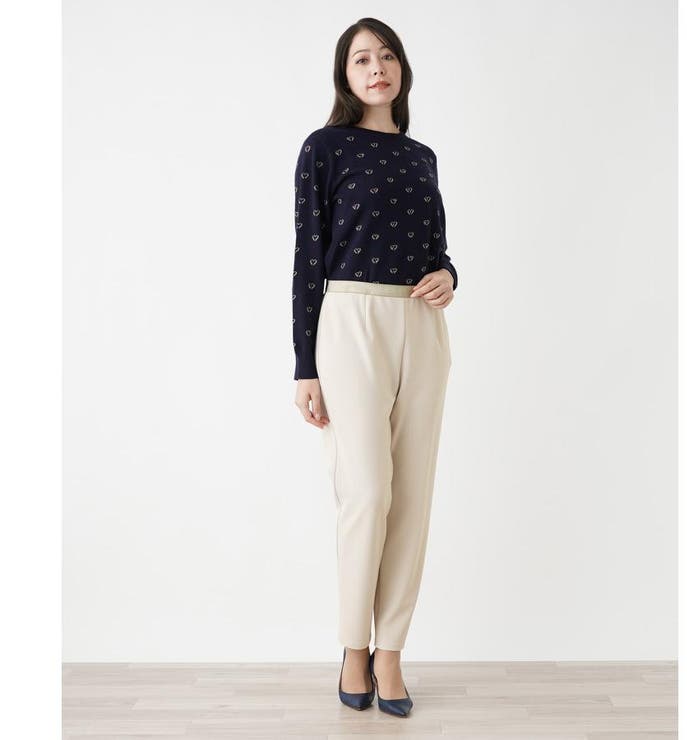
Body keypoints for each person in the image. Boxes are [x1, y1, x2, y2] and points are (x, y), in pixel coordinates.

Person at [291, 17, 458, 718]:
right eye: (362, 58)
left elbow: (436, 248)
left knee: (412, 497)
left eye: (386, 55)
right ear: (345, 74)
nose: (376, 67)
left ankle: (390, 651)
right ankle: (353, 648)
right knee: (366, 494)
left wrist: (449, 274)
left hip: (421, 325)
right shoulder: (325, 148)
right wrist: (305, 365)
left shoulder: (422, 157)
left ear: (402, 69)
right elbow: (309, 253)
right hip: (350, 318)